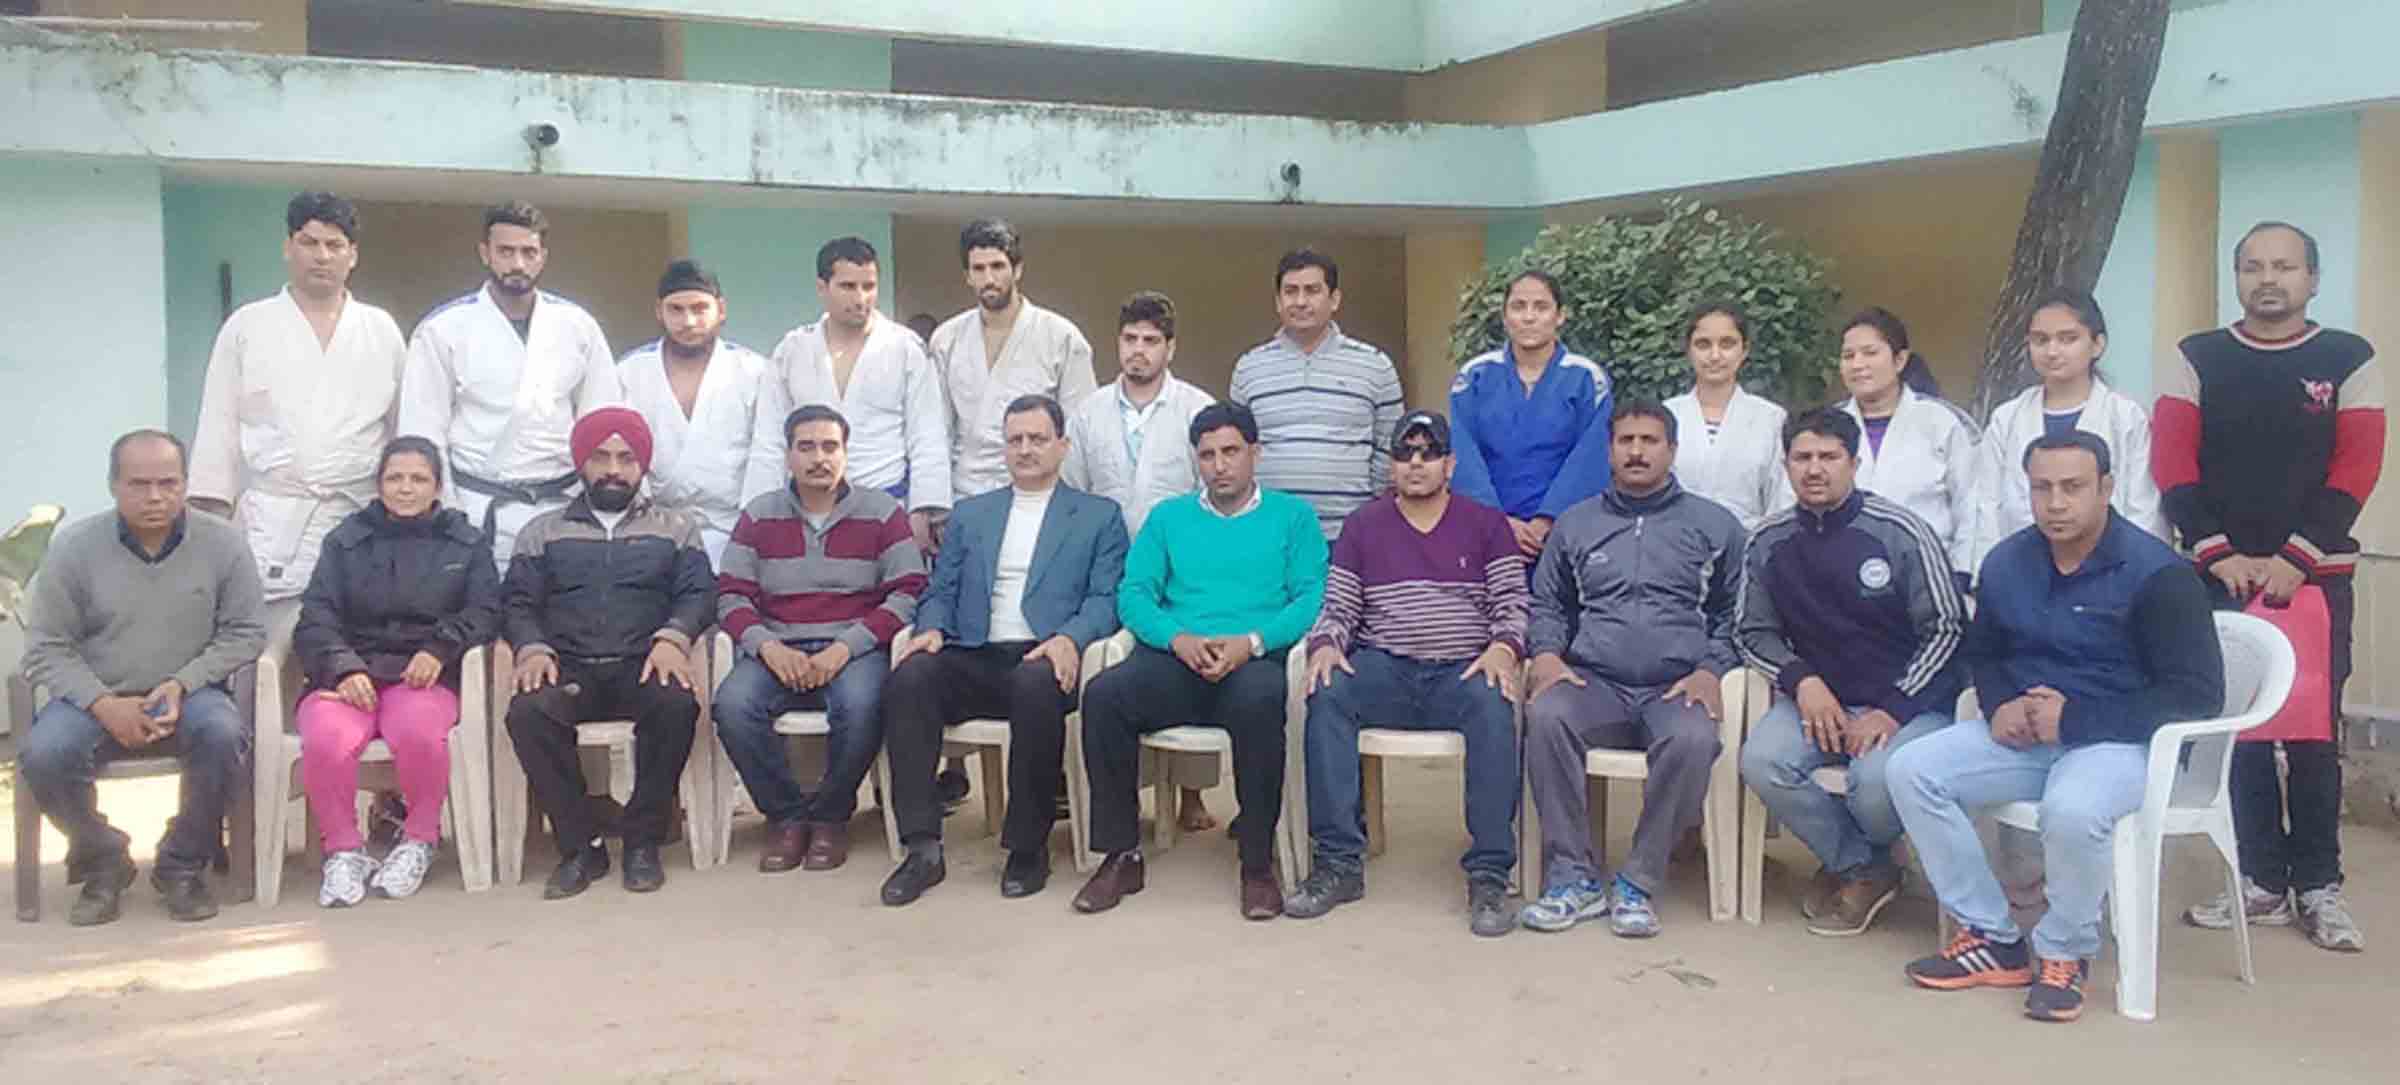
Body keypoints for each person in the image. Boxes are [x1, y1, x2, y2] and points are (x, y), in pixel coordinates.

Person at [1890, 431, 2224, 1022]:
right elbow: (1985, 652)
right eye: (2042, 488)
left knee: (2071, 810)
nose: (2056, 503)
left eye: (2073, 487)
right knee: (1912, 770)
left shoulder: (2159, 574)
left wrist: (2076, 718)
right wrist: (1999, 703)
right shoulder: (2008, 562)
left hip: (2122, 741)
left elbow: (2196, 695)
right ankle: (1991, 936)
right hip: (2029, 734)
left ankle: (2065, 951)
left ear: (2106, 488)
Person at [2158, 221, 2384, 952]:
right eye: (2253, 266)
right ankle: (2259, 879)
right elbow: (2173, 462)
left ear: (2312, 279)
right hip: (2220, 575)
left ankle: (2318, 885)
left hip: (2315, 579)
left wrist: (2297, 556)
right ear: (2237, 277)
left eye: (2284, 266)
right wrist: (2217, 551)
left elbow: (2357, 466)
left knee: (2313, 735)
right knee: (2240, 731)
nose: (2267, 279)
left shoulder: (2348, 358)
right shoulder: (2198, 356)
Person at [1074, 404, 1329, 919]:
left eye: (1231, 451)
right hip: (1177, 659)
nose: (1220, 465)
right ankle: (1121, 855)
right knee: (1103, 696)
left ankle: (1256, 864)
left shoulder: (1293, 517)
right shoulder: (1168, 518)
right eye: (1208, 455)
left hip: (1253, 659)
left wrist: (1252, 642)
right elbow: (1134, 595)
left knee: (1261, 701)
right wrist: (1177, 639)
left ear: (1255, 453)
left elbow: (1310, 598)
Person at [878, 395, 1128, 905]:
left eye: (1037, 439)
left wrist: (1070, 638)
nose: (1025, 449)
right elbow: (940, 589)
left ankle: (1027, 846)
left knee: (1034, 683)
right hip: (975, 651)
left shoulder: (1098, 516)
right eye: (1015, 440)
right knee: (909, 676)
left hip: (1046, 654)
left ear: (1062, 445)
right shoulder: (973, 514)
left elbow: (1106, 598)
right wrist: (931, 627)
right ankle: (922, 847)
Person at [1286, 410, 1527, 936]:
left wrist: (1503, 648)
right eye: (1405, 452)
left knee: (1494, 704)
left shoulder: (1487, 524)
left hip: (1463, 669)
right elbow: (1340, 606)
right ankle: (1338, 863)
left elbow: (1512, 604)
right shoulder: (1363, 525)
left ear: (1450, 464)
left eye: (1429, 452)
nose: (1416, 463)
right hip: (1386, 666)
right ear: (1391, 464)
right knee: (1327, 691)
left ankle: (1489, 875)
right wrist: (1325, 644)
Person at [19, 430, 266, 925]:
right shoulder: (74, 549)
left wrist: (182, 683)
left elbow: (246, 632)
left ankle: (181, 863)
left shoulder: (223, 544)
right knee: (44, 753)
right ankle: (103, 860)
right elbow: (46, 646)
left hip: (189, 694)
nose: (155, 497)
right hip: (94, 698)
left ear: (186, 484)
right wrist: (103, 704)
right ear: (113, 485)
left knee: (223, 734)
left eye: (168, 483)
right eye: (139, 484)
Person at [1736, 408, 1967, 936]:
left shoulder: (1901, 532)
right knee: (1762, 762)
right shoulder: (1768, 541)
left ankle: (1858, 862)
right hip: (1819, 702)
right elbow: (1751, 631)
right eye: (1802, 457)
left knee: (1875, 782)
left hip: (1909, 703)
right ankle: (1862, 865)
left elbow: (1948, 628)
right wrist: (1802, 681)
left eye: (1829, 456)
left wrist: (1891, 709)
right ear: (1786, 466)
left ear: (1855, 464)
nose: (1815, 469)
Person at [1518, 403, 1745, 939]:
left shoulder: (1715, 526)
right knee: (1546, 717)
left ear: (1672, 450)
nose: (1637, 452)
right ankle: (1573, 877)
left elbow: (1737, 613)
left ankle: (1638, 882)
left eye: (1650, 441)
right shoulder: (1576, 524)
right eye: (1626, 441)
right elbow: (1548, 603)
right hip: (1594, 682)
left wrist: (1712, 668)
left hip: (1677, 685)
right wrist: (1547, 654)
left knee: (1693, 740)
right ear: (1610, 451)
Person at [501, 408, 714, 899]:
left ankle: (642, 841)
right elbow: (517, 602)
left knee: (677, 705)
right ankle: (581, 846)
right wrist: (532, 648)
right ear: (581, 462)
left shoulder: (676, 528)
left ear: (643, 466)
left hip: (645, 662)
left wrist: (674, 637)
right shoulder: (542, 531)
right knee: (528, 713)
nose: (614, 469)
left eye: (626, 458)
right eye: (601, 457)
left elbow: (699, 594)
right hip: (568, 666)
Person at [714, 405, 927, 874]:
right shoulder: (759, 515)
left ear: (846, 453)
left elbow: (909, 591)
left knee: (865, 704)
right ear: (788, 456)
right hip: (777, 647)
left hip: (853, 649)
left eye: (830, 447)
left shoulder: (882, 513)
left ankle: (831, 817)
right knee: (732, 705)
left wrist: (846, 647)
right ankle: (786, 817)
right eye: (806, 447)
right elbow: (731, 595)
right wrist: (768, 647)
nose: (819, 458)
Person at [289, 437, 500, 906]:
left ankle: (419, 840)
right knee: (326, 738)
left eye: (418, 479)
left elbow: (485, 611)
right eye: (395, 478)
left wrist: (440, 648)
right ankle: (344, 851)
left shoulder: (465, 543)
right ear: (379, 485)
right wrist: (342, 667)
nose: (406, 488)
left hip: (421, 676)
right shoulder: (345, 541)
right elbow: (316, 617)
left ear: (438, 488)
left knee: (421, 733)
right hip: (351, 676)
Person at [189, 191, 406, 646]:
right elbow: (217, 428)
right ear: (288, 247)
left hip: (358, 512)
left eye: (334, 245)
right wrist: (210, 523)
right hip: (275, 515)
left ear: (353, 255)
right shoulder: (247, 326)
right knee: (270, 646)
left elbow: (401, 432)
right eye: (310, 242)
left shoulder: (380, 329)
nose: (322, 256)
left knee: (357, 640)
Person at [1061, 290, 1220, 831]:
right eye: (1130, 339)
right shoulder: (1088, 414)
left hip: (1182, 569)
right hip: (1109, 568)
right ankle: (1120, 795)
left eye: (1151, 340)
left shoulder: (1196, 409)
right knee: (1117, 677)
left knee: (1191, 666)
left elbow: (1212, 493)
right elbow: (1075, 495)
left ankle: (1192, 794)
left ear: (1170, 348)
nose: (1139, 350)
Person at [398, 200, 622, 572]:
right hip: (477, 508)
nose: (518, 264)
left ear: (543, 257)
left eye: (528, 252)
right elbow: (422, 431)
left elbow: (603, 422)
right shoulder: (443, 329)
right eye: (505, 251)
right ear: (484, 253)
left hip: (564, 507)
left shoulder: (577, 326)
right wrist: (445, 512)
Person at [761, 237, 950, 557]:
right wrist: (764, 515)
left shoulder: (905, 347)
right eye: (848, 286)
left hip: (887, 505)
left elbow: (927, 434)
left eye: (869, 286)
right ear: (822, 287)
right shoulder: (793, 350)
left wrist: (923, 509)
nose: (861, 298)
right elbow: (768, 439)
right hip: (807, 509)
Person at [1974, 288, 2164, 566]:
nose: (2052, 351)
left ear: (2097, 344)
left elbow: (2143, 508)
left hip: (2111, 569)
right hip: (2021, 568)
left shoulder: (2126, 417)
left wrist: (2137, 574)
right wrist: (1988, 573)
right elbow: (1986, 506)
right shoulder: (2007, 418)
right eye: (2041, 340)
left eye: (2068, 339)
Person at [615, 259, 783, 566]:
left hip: (734, 526)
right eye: (676, 310)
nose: (689, 321)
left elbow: (768, 451)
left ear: (721, 309)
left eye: (699, 308)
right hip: (651, 527)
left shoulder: (754, 371)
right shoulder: (630, 371)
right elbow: (621, 450)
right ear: (659, 311)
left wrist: (754, 525)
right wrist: (641, 513)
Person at [1229, 249, 1405, 539]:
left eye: (1312, 291)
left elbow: (1390, 447)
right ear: (1278, 301)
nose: (1300, 301)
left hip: (1350, 534)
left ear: (1334, 299)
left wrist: (1371, 510)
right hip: (1268, 534)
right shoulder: (1249, 368)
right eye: (1290, 291)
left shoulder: (1375, 365)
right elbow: (1238, 449)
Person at [1449, 269, 1615, 557]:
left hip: (1565, 533)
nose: (1529, 317)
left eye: (1541, 307)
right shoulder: (1475, 376)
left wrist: (1547, 520)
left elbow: (1590, 457)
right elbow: (1464, 454)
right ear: (1504, 317)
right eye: (1518, 306)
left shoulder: (1587, 378)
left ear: (1560, 316)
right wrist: (1498, 523)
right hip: (1486, 530)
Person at [930, 219, 1099, 501]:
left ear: (1017, 269)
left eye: (997, 266)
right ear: (967, 276)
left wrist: (1069, 506)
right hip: (964, 492)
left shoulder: (1062, 337)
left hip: (1038, 491)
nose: (989, 279)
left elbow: (1080, 432)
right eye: (979, 269)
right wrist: (935, 502)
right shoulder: (947, 339)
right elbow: (936, 430)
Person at [1834, 308, 1980, 581]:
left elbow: (1971, 505)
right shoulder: (1827, 426)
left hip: (1928, 575)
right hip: (1840, 577)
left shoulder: (1941, 421)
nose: (1857, 364)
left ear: (1899, 360)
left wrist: (1961, 577)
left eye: (1870, 353)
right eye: (1848, 356)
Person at [1664, 301, 1793, 532]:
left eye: (1727, 344)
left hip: (1749, 543)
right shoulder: (1668, 414)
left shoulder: (1771, 418)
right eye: (1703, 344)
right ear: (1688, 350)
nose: (1715, 355)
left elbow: (1781, 500)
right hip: (1675, 543)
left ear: (1744, 350)